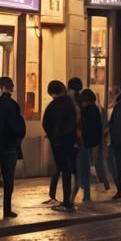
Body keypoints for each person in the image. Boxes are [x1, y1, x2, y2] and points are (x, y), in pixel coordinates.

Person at [42, 80, 79, 211]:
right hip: (70, 142)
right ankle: (68, 201)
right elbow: (73, 124)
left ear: (52, 93)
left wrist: (53, 136)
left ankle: (66, 203)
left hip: (58, 143)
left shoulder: (53, 105)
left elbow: (45, 122)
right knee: (68, 171)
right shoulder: (70, 104)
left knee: (63, 170)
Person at [0, 76, 25, 219]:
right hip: (10, 148)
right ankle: (7, 210)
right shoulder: (14, 106)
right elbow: (21, 129)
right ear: (11, 88)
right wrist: (17, 142)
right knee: (9, 181)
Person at [76, 89, 103, 203]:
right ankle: (86, 193)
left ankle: (83, 191)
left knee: (82, 168)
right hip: (91, 143)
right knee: (86, 167)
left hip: (82, 143)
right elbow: (98, 127)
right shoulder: (95, 109)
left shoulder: (81, 110)